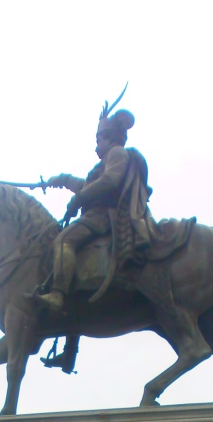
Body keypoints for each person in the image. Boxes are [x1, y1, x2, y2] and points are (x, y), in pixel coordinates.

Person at [36, 104, 148, 318]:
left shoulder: (117, 153)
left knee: (63, 241)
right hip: (96, 214)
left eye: (98, 140)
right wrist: (60, 180)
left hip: (102, 216)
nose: (96, 146)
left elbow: (109, 181)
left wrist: (79, 199)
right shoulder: (107, 160)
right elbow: (87, 185)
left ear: (109, 137)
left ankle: (58, 294)